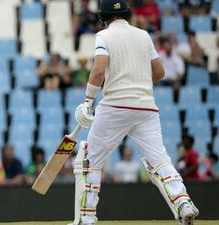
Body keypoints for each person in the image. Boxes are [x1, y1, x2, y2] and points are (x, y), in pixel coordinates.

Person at [71, 1, 199, 224]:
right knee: (160, 159)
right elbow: (159, 72)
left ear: (104, 16)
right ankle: (183, 201)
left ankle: (86, 218)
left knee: (90, 160)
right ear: (126, 14)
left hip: (115, 106)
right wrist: (135, 79)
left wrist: (88, 101)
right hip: (146, 107)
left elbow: (99, 69)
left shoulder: (103, 36)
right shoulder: (143, 35)